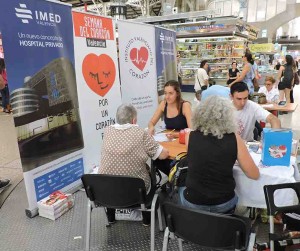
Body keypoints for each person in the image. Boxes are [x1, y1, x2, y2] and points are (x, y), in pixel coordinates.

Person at [178, 96, 259, 213]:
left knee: (180, 189)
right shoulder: (234, 139)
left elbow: (199, 158)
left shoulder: (189, 136)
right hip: (223, 203)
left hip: (193, 203)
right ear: (228, 117)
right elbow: (254, 174)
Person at [99, 104, 169, 225]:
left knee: (112, 172)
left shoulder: (107, 131)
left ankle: (111, 217)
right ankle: (146, 219)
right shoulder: (140, 133)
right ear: (134, 120)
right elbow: (163, 155)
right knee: (150, 174)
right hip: (136, 192)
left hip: (106, 191)